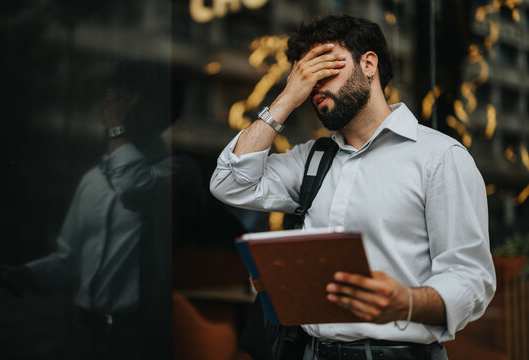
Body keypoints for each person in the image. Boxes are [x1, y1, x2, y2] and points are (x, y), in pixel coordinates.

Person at [210, 15, 496, 360]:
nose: (313, 85)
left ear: (369, 64)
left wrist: (405, 302)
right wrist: (286, 98)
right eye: (304, 76)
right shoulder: (310, 160)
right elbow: (229, 183)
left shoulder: (439, 157)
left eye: (324, 68)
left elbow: (471, 278)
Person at [0, 61, 201, 360]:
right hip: (83, 335)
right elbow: (68, 261)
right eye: (110, 100)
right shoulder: (93, 180)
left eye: (122, 100)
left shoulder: (179, 172)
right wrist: (14, 276)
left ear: (155, 108)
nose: (110, 107)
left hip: (138, 339)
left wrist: (117, 126)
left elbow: (133, 187)